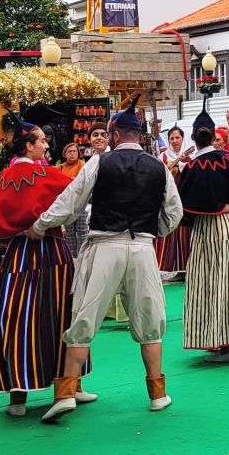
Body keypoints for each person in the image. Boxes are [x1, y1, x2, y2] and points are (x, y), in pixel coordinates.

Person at [28, 95, 183, 421]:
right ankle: (157, 393)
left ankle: (67, 392)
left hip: (104, 246)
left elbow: (71, 201)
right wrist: (151, 232)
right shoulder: (159, 167)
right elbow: (174, 213)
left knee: (83, 319)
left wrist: (40, 225)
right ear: (138, 135)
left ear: (114, 134)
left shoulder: (99, 163)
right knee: (150, 323)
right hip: (141, 247)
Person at [0, 115, 94, 417]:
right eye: (42, 141)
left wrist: (12, 232)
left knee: (15, 318)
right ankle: (71, 385)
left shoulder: (2, 180)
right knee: (63, 315)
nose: (46, 144)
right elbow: (78, 194)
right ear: (28, 145)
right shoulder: (48, 175)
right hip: (53, 253)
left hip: (18, 256)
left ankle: (18, 397)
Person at [177, 110, 229, 363]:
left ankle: (225, 345)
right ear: (214, 136)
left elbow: (183, 207)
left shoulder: (191, 167)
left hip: (206, 230)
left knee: (208, 285)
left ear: (193, 138)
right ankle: (228, 340)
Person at [89, 122, 128, 324]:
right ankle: (105, 308)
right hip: (98, 217)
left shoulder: (116, 160)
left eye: (103, 134)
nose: (99, 138)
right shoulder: (91, 162)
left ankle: (124, 310)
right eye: (95, 135)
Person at [156, 127, 193, 281]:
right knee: (168, 230)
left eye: (177, 138)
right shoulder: (163, 156)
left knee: (184, 232)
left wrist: (187, 163)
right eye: (172, 138)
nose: (175, 141)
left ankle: (185, 267)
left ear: (182, 139)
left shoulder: (191, 156)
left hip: (184, 199)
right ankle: (166, 267)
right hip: (168, 199)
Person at [56, 142, 88, 257]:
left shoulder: (82, 165)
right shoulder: (60, 167)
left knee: (82, 231)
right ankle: (71, 258)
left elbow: (80, 181)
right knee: (69, 233)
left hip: (80, 203)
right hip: (66, 204)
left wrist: (66, 181)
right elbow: (56, 182)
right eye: (69, 151)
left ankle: (82, 257)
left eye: (74, 151)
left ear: (78, 153)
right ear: (65, 154)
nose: (72, 153)